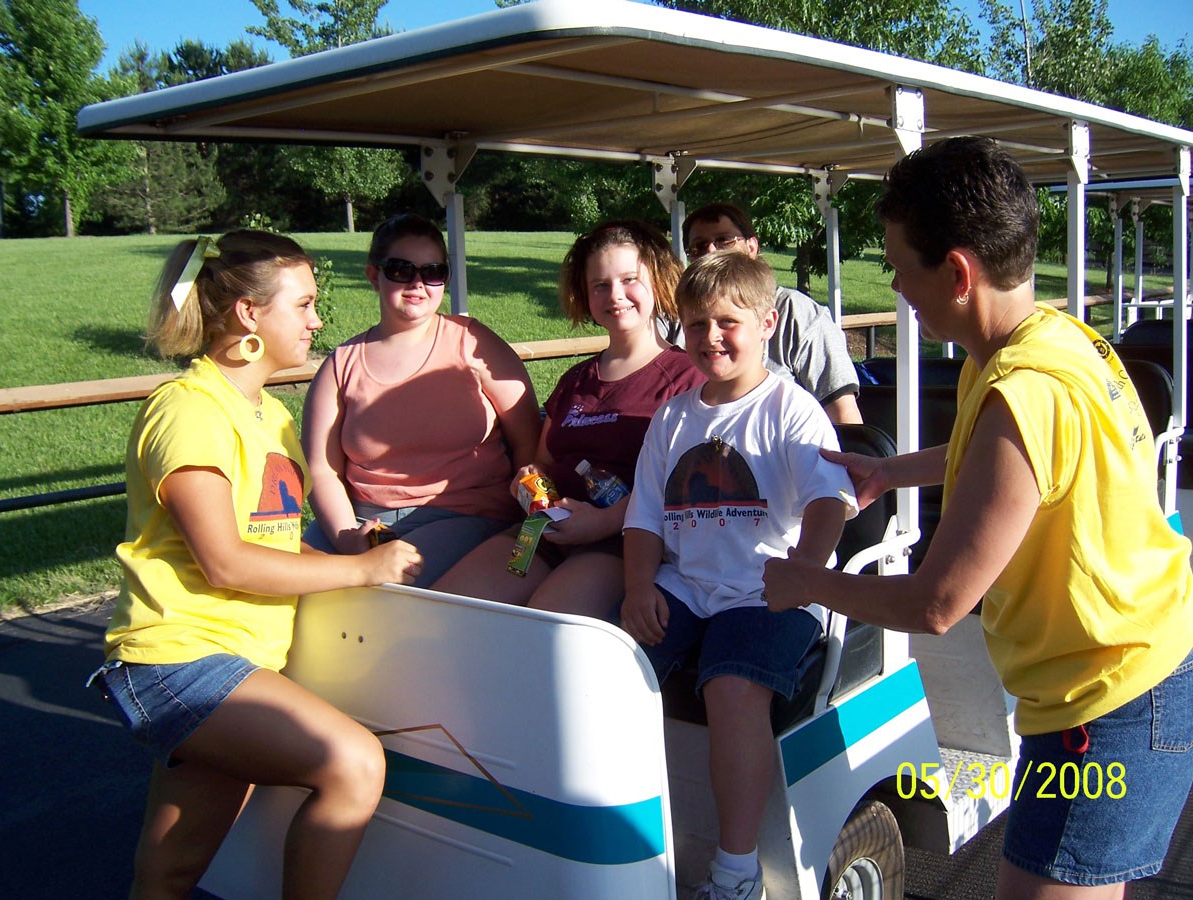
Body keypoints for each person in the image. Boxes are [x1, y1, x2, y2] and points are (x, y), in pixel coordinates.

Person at [763, 136, 1193, 900]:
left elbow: (936, 604)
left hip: (1112, 704)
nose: (897, 285)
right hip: (1121, 679)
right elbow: (1004, 456)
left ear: (957, 273)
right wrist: (891, 471)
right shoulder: (1044, 340)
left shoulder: (1022, 392)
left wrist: (807, 583)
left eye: (901, 266)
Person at [87, 231, 424, 899]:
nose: (316, 320)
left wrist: (351, 553)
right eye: (303, 305)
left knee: (171, 869)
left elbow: (271, 543)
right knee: (354, 764)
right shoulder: (189, 411)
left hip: (232, 662)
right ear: (249, 314)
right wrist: (361, 573)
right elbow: (224, 559)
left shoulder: (269, 415)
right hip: (181, 662)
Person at [622, 251, 857, 899]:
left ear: (767, 323)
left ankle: (736, 869)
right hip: (686, 585)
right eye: (697, 324)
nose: (711, 337)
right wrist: (638, 587)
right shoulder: (673, 417)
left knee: (729, 689)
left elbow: (828, 501)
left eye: (728, 321)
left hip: (767, 588)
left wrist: (806, 572)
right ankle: (624, 840)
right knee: (608, 671)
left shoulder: (791, 409)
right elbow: (644, 517)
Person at [434, 221, 705, 616]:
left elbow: (685, 487)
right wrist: (530, 482)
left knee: (546, 627)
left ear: (658, 280)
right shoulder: (575, 379)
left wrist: (602, 523)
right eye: (600, 285)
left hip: (622, 543)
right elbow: (541, 461)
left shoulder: (686, 377)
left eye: (629, 279)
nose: (615, 295)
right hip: (541, 533)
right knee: (446, 610)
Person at [300, 214, 541, 587]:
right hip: (362, 521)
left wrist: (530, 514)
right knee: (286, 576)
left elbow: (529, 439)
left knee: (390, 588)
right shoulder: (342, 364)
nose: (417, 283)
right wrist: (349, 538)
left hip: (464, 516)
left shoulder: (474, 344)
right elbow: (322, 469)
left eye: (432, 272)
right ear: (374, 275)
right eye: (401, 270)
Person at [676, 202, 863, 424]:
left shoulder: (796, 311)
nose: (711, 251)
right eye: (699, 246)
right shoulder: (683, 318)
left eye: (724, 240)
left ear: (752, 246)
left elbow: (844, 413)